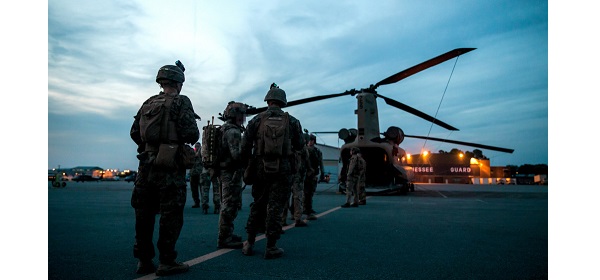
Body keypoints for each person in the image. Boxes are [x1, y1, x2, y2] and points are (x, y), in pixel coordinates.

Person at [129, 60, 199, 276]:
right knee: (171, 213)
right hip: (169, 167)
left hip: (146, 166)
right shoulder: (181, 101)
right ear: (179, 83)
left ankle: (143, 260)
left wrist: (151, 146)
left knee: (144, 213)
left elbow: (134, 132)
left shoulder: (148, 102)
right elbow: (191, 133)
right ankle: (167, 261)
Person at [241, 83, 304, 259]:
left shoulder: (256, 119)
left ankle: (250, 243)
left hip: (260, 167)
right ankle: (271, 246)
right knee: (276, 207)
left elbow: (245, 146)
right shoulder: (292, 121)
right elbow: (300, 145)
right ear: (283, 102)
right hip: (283, 170)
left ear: (268, 101)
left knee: (258, 205)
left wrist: (247, 165)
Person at [216, 101, 247, 249]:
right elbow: (237, 155)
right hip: (231, 172)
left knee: (230, 204)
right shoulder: (233, 132)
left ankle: (228, 233)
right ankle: (224, 238)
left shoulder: (224, 128)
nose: (243, 118)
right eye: (242, 115)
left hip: (225, 170)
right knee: (229, 205)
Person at [282, 133, 311, 227]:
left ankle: (282, 219)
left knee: (285, 197)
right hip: (298, 175)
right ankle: (297, 218)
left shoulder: (287, 145)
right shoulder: (302, 148)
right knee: (297, 197)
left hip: (287, 174)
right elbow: (307, 161)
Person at [303, 134, 324, 220]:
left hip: (313, 173)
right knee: (305, 192)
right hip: (306, 173)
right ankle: (305, 208)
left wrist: (322, 172)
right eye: (309, 140)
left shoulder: (317, 151)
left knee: (310, 192)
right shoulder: (305, 150)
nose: (310, 142)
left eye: (312, 140)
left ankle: (308, 208)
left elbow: (320, 162)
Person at [189, 142, 203, 209]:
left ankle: (204, 202)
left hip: (200, 173)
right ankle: (196, 202)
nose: (197, 147)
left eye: (198, 146)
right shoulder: (192, 154)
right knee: (194, 190)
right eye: (196, 146)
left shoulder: (202, 154)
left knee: (202, 189)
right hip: (193, 174)